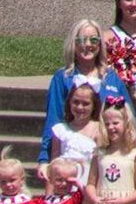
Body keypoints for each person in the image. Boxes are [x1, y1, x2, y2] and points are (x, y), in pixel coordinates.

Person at [42, 20, 129, 170]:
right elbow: (53, 119)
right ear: (73, 44)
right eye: (81, 40)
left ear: (100, 44)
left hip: (107, 155)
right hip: (69, 159)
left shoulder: (112, 78)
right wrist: (44, 159)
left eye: (94, 40)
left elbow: (128, 117)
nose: (88, 44)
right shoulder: (62, 78)